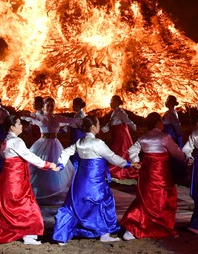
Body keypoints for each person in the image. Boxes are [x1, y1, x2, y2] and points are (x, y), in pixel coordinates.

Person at [53, 115, 139, 245]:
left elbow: (66, 152)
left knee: (74, 204)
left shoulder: (80, 142)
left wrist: (60, 165)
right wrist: (128, 164)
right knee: (104, 202)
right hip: (95, 181)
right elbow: (112, 157)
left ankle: (62, 235)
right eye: (98, 123)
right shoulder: (98, 143)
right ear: (93, 127)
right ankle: (104, 234)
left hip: (81, 180)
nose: (99, 126)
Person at [0, 115, 59, 246]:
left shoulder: (5, 141)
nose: (21, 126)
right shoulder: (16, 141)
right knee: (25, 205)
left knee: (10, 206)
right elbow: (29, 156)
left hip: (9, 177)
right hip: (15, 179)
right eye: (19, 124)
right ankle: (27, 233)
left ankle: (27, 233)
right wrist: (48, 164)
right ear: (12, 127)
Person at [121, 112, 187, 240]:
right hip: (161, 174)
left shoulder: (143, 137)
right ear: (157, 122)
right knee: (162, 200)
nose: (162, 123)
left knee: (145, 200)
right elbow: (177, 153)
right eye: (161, 121)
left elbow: (132, 151)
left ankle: (133, 229)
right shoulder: (165, 137)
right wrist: (186, 159)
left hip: (147, 173)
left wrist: (136, 161)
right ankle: (161, 227)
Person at [21, 96, 79, 205]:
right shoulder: (41, 117)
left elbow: (69, 120)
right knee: (38, 165)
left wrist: (83, 119)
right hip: (42, 143)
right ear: (44, 106)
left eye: (52, 105)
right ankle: (38, 189)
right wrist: (25, 115)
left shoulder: (57, 118)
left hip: (55, 144)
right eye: (48, 105)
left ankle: (53, 189)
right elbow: (31, 117)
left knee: (56, 165)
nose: (50, 107)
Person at [102, 95, 139, 179]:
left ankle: (119, 171)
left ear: (116, 102)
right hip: (116, 137)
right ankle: (118, 170)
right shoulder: (114, 112)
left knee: (121, 152)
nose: (110, 103)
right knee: (115, 152)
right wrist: (102, 130)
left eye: (112, 101)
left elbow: (128, 121)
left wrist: (134, 127)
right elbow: (110, 124)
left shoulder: (121, 112)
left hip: (122, 137)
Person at [162, 95, 187, 182]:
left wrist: (178, 134)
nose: (166, 102)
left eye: (168, 100)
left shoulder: (172, 113)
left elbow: (176, 125)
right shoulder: (168, 112)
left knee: (173, 156)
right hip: (168, 136)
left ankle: (176, 174)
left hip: (172, 136)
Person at [68, 97, 87, 170]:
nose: (72, 106)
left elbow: (81, 127)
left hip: (78, 136)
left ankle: (75, 171)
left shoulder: (80, 115)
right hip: (75, 136)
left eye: (74, 105)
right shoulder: (78, 114)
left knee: (76, 154)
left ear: (78, 105)